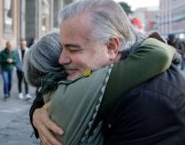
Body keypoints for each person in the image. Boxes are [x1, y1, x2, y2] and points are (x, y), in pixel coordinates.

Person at [31, 0, 185, 145]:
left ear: (111, 47)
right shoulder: (98, 73)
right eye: (62, 47)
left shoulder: (149, 101)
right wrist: (37, 112)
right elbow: (62, 87)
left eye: (73, 49)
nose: (62, 59)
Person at [25, 30, 175, 144]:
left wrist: (35, 113)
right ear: (63, 64)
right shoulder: (92, 84)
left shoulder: (51, 94)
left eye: (72, 48)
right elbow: (158, 54)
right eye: (72, 49)